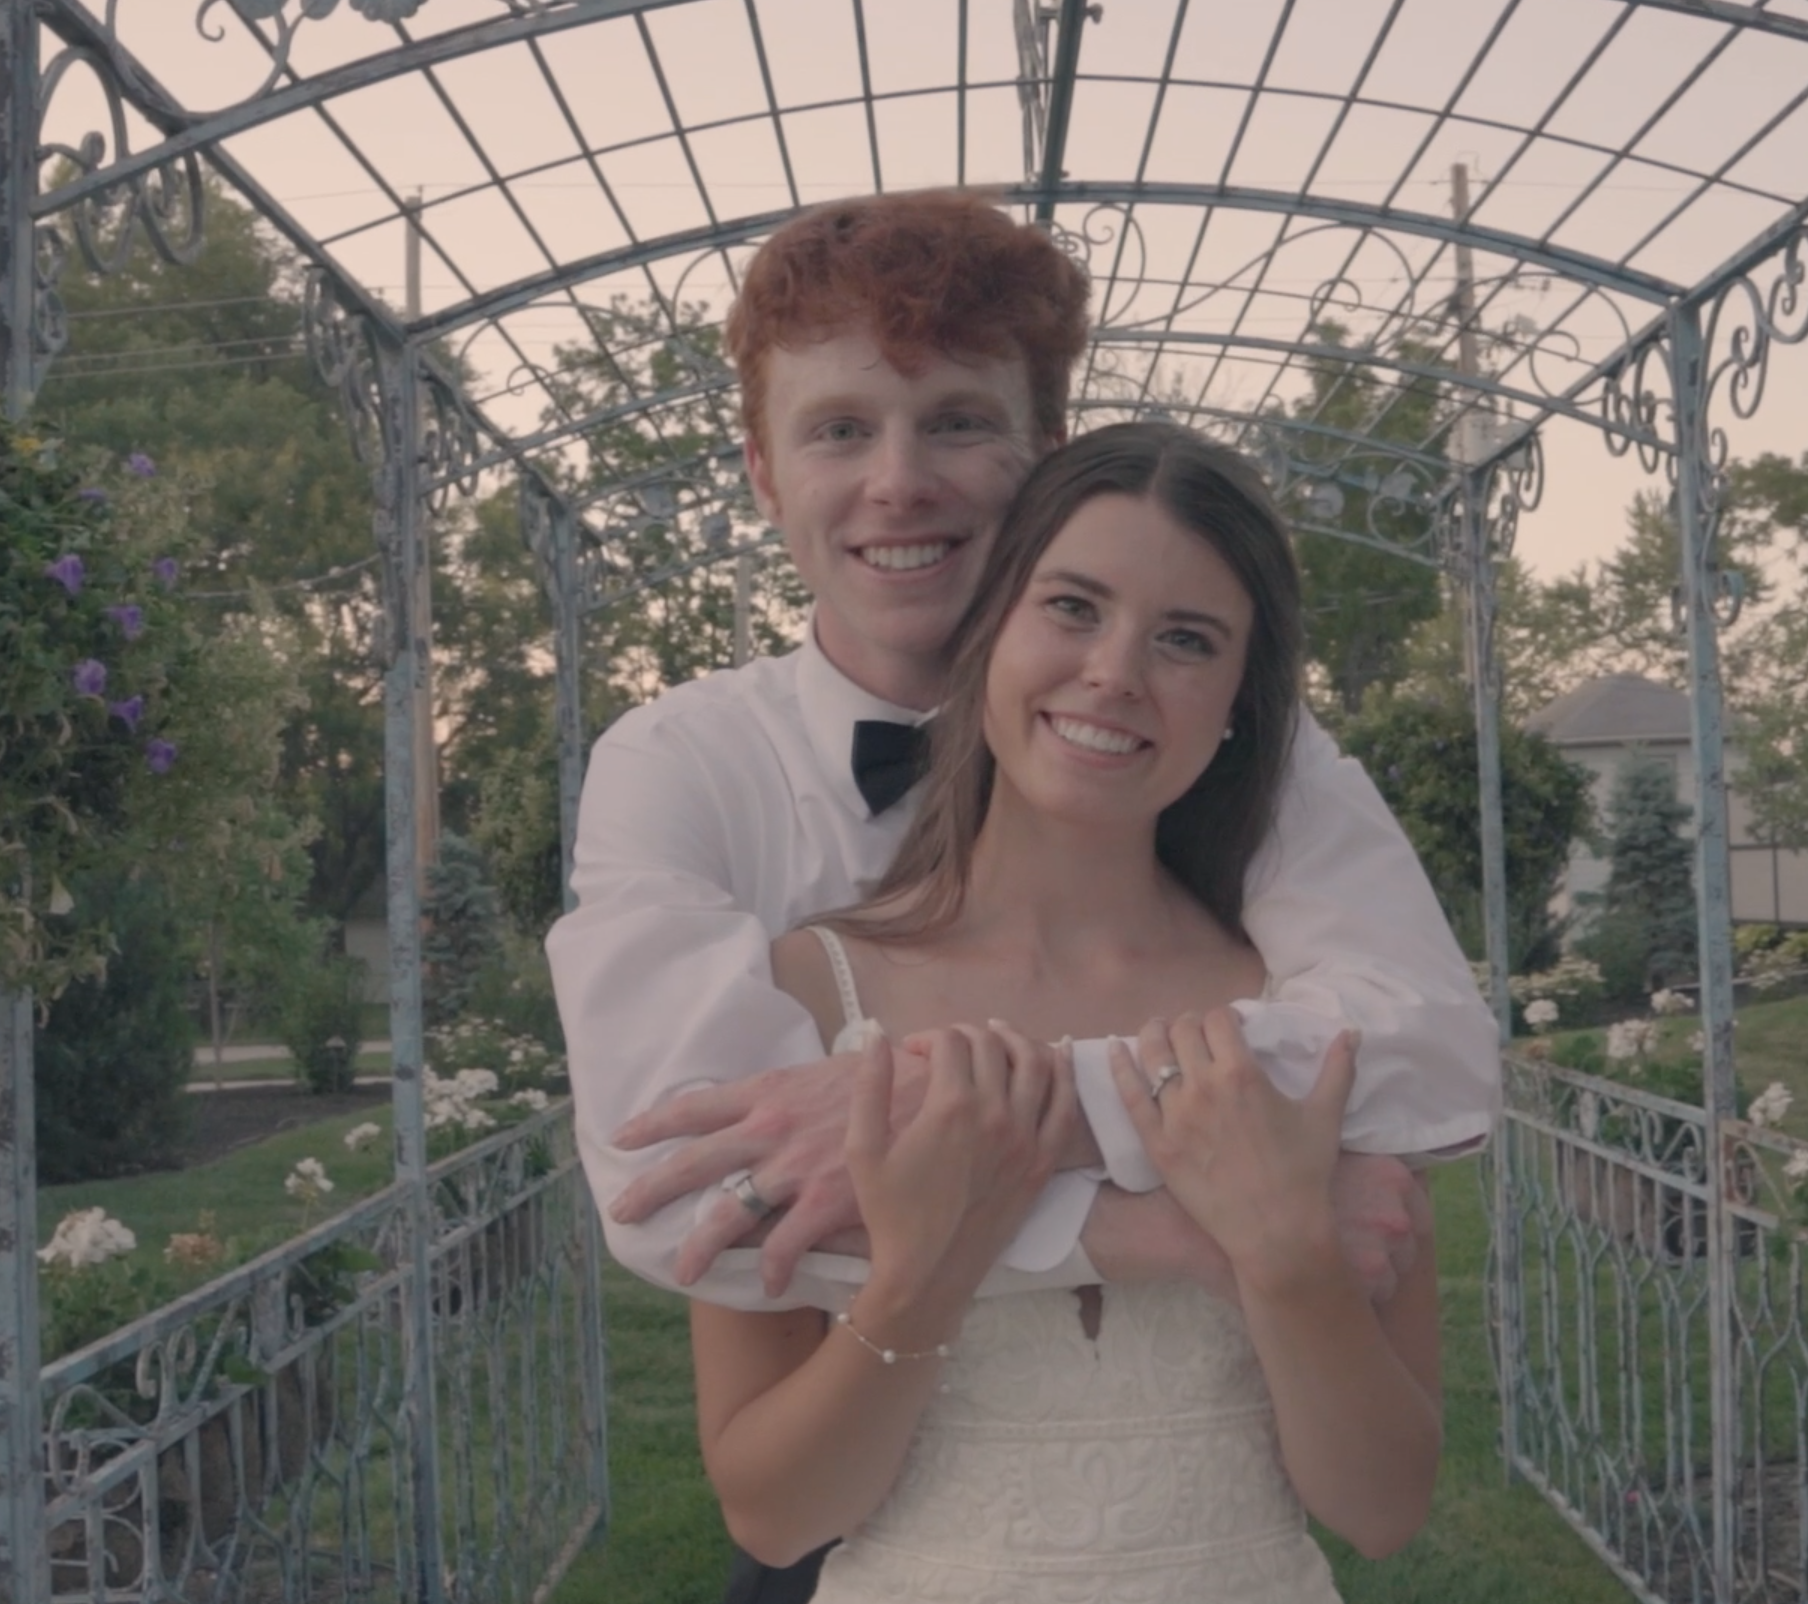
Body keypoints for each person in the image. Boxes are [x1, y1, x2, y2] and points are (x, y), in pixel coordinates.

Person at [545, 189, 1493, 1601]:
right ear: (760, 469)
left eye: (959, 424)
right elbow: (686, 1188)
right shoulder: (688, 774)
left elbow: (1416, 1050)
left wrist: (939, 1111)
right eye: (841, 429)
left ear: (1044, 456)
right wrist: (1172, 1220)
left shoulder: (1259, 783)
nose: (900, 482)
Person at [694, 421, 1441, 1603]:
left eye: (1185, 639)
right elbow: (774, 1511)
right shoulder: (806, 990)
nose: (1115, 672)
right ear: (988, 626)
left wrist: (1286, 1256)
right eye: (1073, 606)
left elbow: (1382, 1505)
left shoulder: (1302, 1015)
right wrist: (927, 1273)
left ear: (1242, 701)